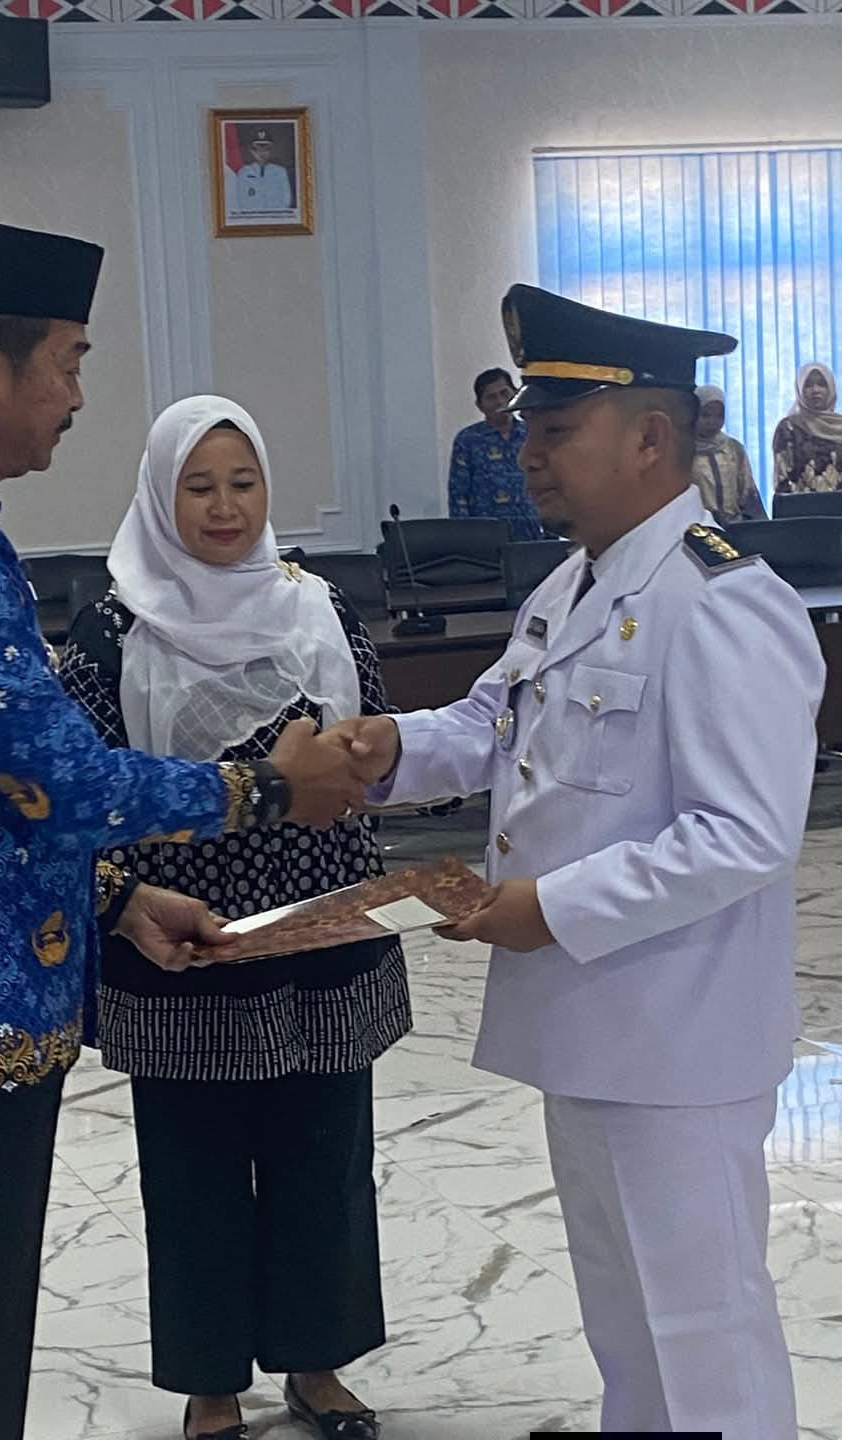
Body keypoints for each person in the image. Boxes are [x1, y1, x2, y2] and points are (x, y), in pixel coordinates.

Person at [0, 217, 365, 1440]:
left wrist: (114, 900)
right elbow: (60, 778)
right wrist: (264, 787)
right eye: (71, 363)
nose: (79, 397)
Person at [330, 284, 825, 1438]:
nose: (529, 454)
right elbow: (493, 724)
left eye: (556, 430)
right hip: (591, 1022)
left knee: (705, 1325)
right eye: (530, 430)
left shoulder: (722, 603)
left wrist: (547, 908)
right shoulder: (574, 582)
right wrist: (388, 749)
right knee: (626, 1317)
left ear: (649, 438)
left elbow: (744, 833)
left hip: (681, 1031)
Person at [59, 394, 407, 1440]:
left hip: (323, 923)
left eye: (243, 484)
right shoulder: (114, 626)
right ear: (159, 499)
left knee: (324, 1158)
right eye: (199, 488)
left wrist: (357, 764)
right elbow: (81, 789)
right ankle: (211, 1381)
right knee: (194, 1170)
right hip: (187, 936)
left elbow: (377, 734)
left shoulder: (319, 606)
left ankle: (317, 1364)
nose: (225, 508)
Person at [448, 366, 542, 540]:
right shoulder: (468, 440)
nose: (500, 401)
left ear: (516, 394)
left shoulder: (532, 432)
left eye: (504, 393)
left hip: (533, 534)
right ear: (479, 405)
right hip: (485, 538)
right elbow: (458, 496)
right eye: (491, 397)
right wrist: (463, 540)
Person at [691, 384, 765, 522]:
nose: (713, 422)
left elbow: (748, 494)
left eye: (719, 416)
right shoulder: (683, 450)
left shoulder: (734, 448)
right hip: (698, 527)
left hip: (735, 526)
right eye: (706, 415)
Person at [773, 362, 842, 494]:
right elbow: (782, 482)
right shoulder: (789, 428)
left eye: (822, 384)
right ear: (800, 390)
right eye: (808, 385)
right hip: (801, 505)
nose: (816, 390)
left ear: (831, 388)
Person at [234, 126, 293, 215]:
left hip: (276, 217)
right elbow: (241, 201)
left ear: (271, 150)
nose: (262, 153)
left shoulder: (280, 172)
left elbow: (286, 200)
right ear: (251, 151)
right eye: (257, 149)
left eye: (266, 149)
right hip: (251, 218)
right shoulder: (244, 172)